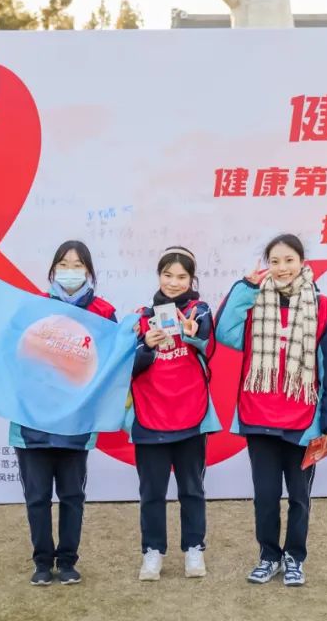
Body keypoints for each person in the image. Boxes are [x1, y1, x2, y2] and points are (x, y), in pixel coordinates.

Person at [0, 240, 115, 586]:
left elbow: (114, 362)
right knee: (37, 497)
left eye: (78, 266)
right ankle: (42, 562)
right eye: (64, 265)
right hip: (31, 422)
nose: (70, 272)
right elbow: (1, 354)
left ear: (89, 272)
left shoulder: (103, 314)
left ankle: (67, 562)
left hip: (75, 423)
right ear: (53, 271)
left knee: (72, 496)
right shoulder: (33, 308)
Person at [214, 234, 327, 586]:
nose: (282, 267)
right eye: (274, 261)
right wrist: (245, 287)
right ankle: (268, 555)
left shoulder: (324, 307)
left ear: (302, 262)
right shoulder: (255, 303)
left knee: (299, 497)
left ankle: (295, 557)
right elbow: (224, 332)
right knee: (265, 497)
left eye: (289, 260)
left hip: (303, 422)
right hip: (258, 418)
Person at [129, 247, 221, 581]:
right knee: (151, 492)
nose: (173, 282)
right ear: (159, 276)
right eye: (167, 275)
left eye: (182, 276)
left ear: (192, 279)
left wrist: (194, 335)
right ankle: (152, 552)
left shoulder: (201, 311)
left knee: (192, 489)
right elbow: (127, 368)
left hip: (190, 415)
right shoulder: (140, 317)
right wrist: (147, 346)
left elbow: (210, 346)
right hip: (149, 416)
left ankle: (194, 548)